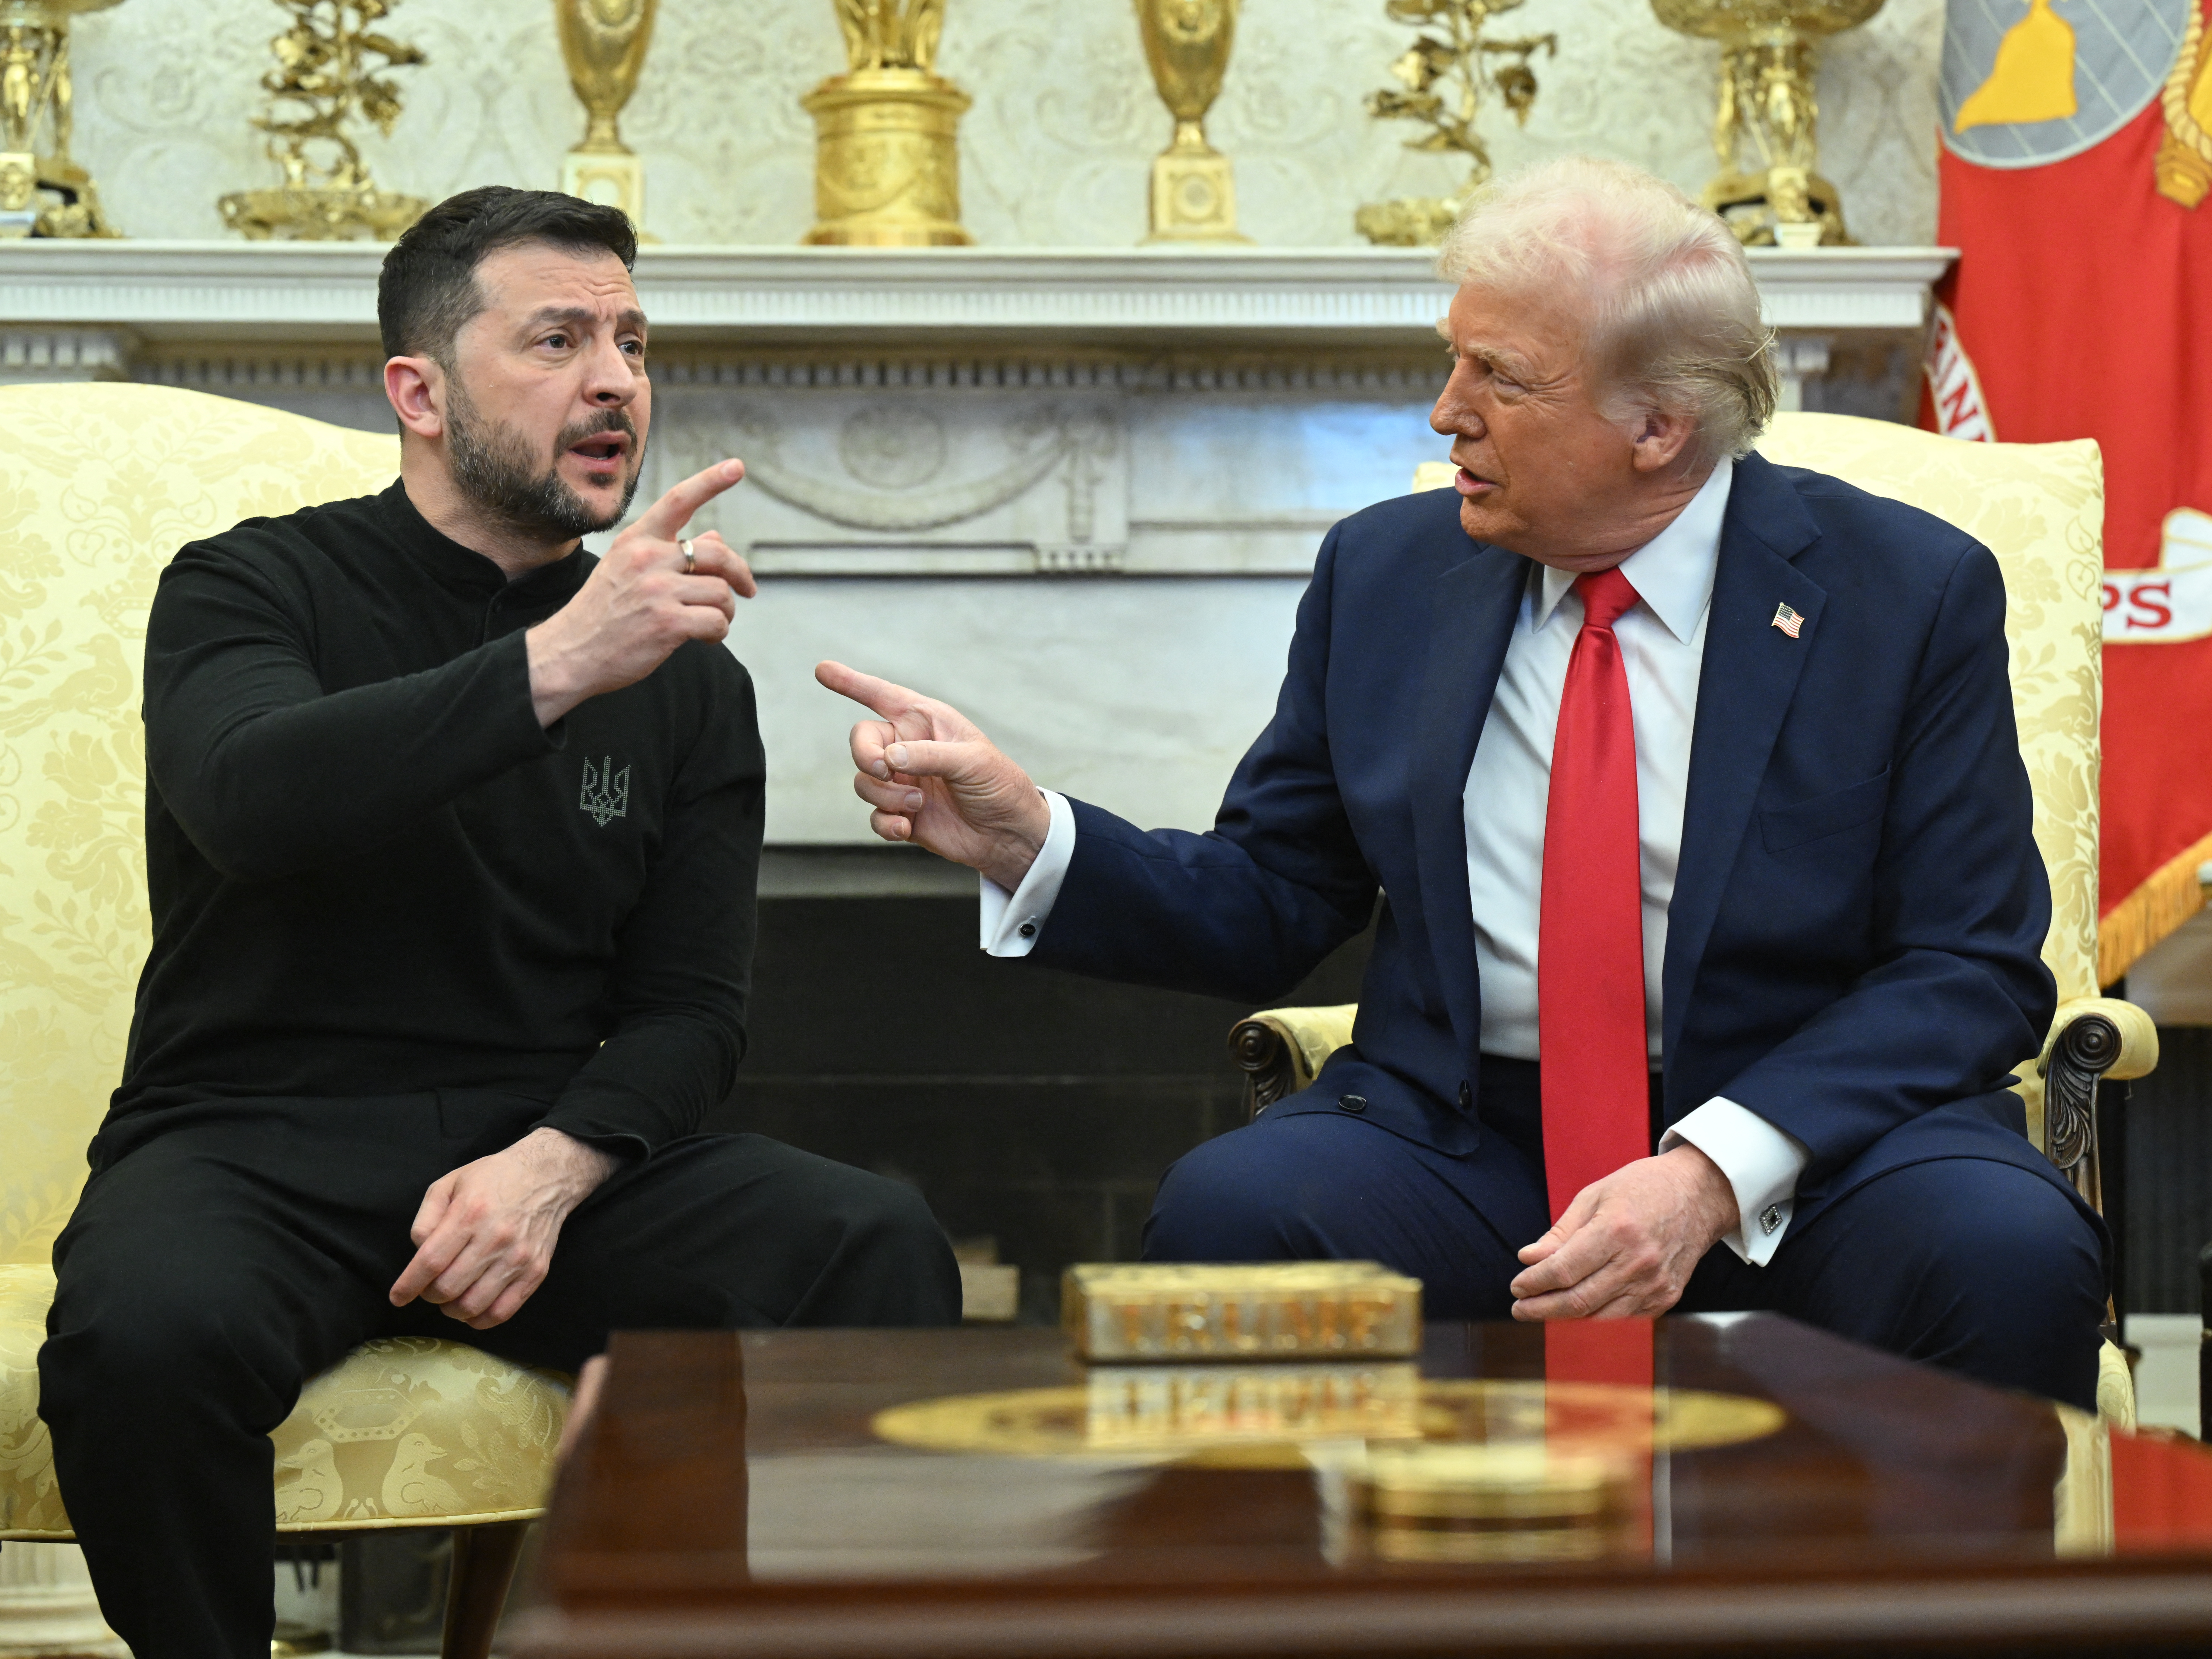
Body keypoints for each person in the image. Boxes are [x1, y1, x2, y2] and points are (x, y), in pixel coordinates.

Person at [818, 157, 2105, 1410]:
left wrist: (1711, 1170)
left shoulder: (1903, 591)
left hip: (1811, 1143)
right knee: (1235, 1212)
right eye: (1453, 360)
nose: (1444, 413)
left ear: (1655, 426)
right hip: (1468, 1135)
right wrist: (1028, 839)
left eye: (1500, 376)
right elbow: (1275, 889)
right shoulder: (1385, 574)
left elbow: (1969, 966)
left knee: (2000, 1248)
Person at [38, 186, 960, 1659]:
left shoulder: (687, 678)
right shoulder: (250, 584)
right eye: (557, 339)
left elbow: (689, 1013)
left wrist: (554, 1165)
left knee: (871, 1239)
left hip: (539, 1155)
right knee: (141, 1340)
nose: (615, 381)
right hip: (254, 1140)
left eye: (632, 341)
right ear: (420, 392)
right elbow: (251, 798)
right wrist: (562, 660)